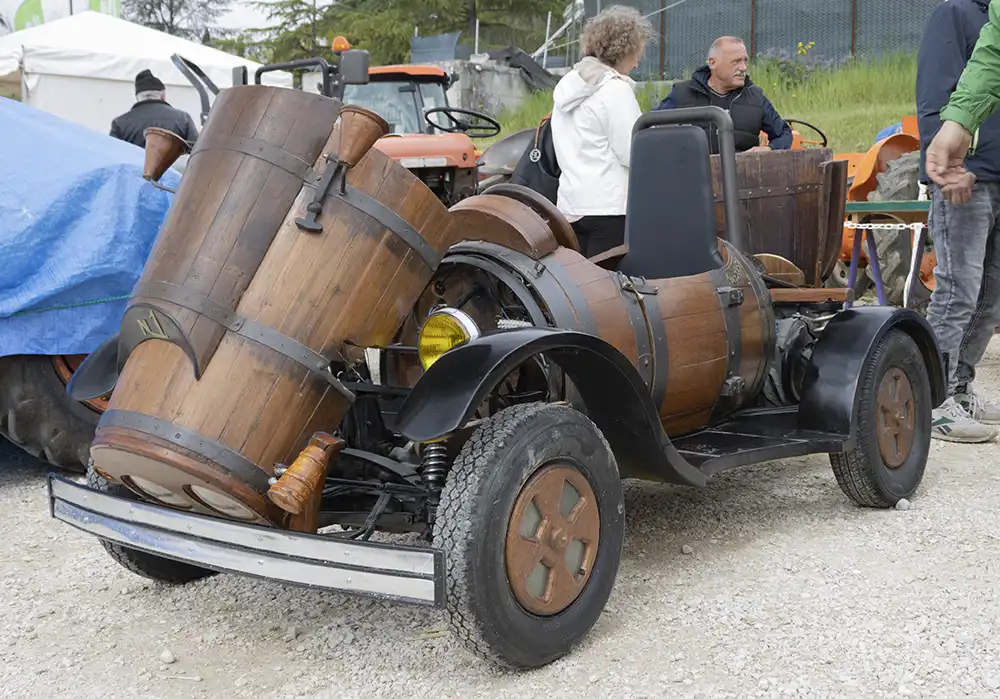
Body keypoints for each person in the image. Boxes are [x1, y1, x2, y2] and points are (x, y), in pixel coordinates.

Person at [917, 0, 1000, 443]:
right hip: (967, 176)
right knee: (957, 292)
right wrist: (945, 167)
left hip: (999, 174)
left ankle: (960, 389)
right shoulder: (954, 13)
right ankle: (930, 400)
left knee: (990, 298)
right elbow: (934, 96)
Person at [549, 5, 653, 258]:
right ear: (624, 48)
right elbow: (632, 152)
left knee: (580, 289)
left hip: (570, 206)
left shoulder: (568, 87)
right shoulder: (615, 89)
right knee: (610, 291)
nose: (638, 60)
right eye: (637, 50)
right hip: (609, 208)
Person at [652, 36, 792, 154]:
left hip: (742, 182)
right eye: (736, 62)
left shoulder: (756, 97)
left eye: (745, 61)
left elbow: (784, 134)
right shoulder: (682, 94)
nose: (743, 68)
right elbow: (649, 127)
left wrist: (768, 149)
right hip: (692, 180)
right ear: (713, 63)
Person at [109, 69, 199, 149]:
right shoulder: (183, 118)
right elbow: (196, 151)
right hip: (172, 168)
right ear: (163, 96)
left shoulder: (120, 123)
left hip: (135, 168)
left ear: (137, 97)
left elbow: (113, 154)